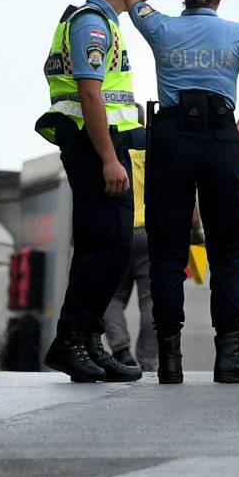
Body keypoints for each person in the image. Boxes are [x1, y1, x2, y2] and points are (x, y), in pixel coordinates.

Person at [122, 0, 239, 385]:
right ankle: (229, 355)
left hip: (171, 141)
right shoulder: (237, 33)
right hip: (220, 139)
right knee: (228, 249)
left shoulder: (161, 27)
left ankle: (169, 360)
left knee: (167, 253)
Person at [35, 0, 196, 382]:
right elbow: (91, 94)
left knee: (100, 245)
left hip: (101, 143)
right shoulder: (93, 22)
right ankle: (71, 340)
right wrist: (109, 159)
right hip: (94, 146)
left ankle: (86, 339)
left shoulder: (98, 17)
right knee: (110, 244)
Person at [101, 147, 157, 371]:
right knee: (151, 301)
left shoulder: (114, 151)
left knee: (110, 296)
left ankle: (121, 352)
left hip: (120, 229)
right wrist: (195, 230)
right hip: (152, 232)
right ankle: (149, 362)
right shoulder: (154, 150)